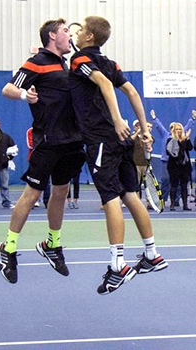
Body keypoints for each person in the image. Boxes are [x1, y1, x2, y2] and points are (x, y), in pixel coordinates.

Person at [69, 15, 168, 295]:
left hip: (102, 139)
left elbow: (102, 84)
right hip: (122, 140)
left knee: (110, 198)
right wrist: (145, 129)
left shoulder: (80, 62)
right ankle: (152, 254)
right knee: (130, 195)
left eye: (81, 31)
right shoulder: (111, 63)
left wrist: (115, 119)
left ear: (89, 37)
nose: (77, 34)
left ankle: (118, 266)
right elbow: (133, 92)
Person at [0, 18, 85, 284]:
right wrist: (25, 96)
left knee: (61, 192)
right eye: (66, 31)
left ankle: (51, 245)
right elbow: (8, 88)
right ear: (51, 36)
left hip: (71, 141)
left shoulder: (68, 64)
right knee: (32, 194)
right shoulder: (38, 61)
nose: (70, 35)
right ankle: (8, 248)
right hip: (47, 140)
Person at [150, 109, 196, 204]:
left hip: (179, 164)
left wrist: (192, 119)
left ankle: (176, 200)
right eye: (173, 128)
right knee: (165, 180)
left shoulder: (181, 137)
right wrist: (154, 118)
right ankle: (162, 199)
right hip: (166, 162)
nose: (176, 130)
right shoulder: (165, 135)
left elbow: (187, 127)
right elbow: (159, 126)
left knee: (179, 183)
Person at [166, 123, 193, 211]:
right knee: (174, 185)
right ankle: (172, 204)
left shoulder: (185, 139)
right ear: (173, 130)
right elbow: (172, 152)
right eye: (177, 129)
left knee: (184, 185)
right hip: (174, 166)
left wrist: (187, 138)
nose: (179, 131)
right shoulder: (171, 140)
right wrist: (181, 140)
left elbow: (189, 148)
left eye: (180, 129)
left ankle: (185, 204)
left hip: (185, 167)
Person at [131, 119, 154, 208]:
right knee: (136, 185)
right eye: (147, 126)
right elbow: (131, 141)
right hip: (136, 164)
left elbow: (151, 140)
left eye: (150, 127)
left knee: (148, 184)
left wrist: (145, 133)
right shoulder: (133, 137)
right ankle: (137, 203)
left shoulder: (148, 137)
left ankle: (149, 202)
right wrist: (138, 133)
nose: (149, 128)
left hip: (146, 164)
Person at [26, 127, 51, 208]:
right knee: (32, 181)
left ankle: (47, 201)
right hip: (34, 159)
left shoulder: (48, 130)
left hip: (46, 159)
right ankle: (32, 201)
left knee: (47, 182)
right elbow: (30, 145)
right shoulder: (30, 131)